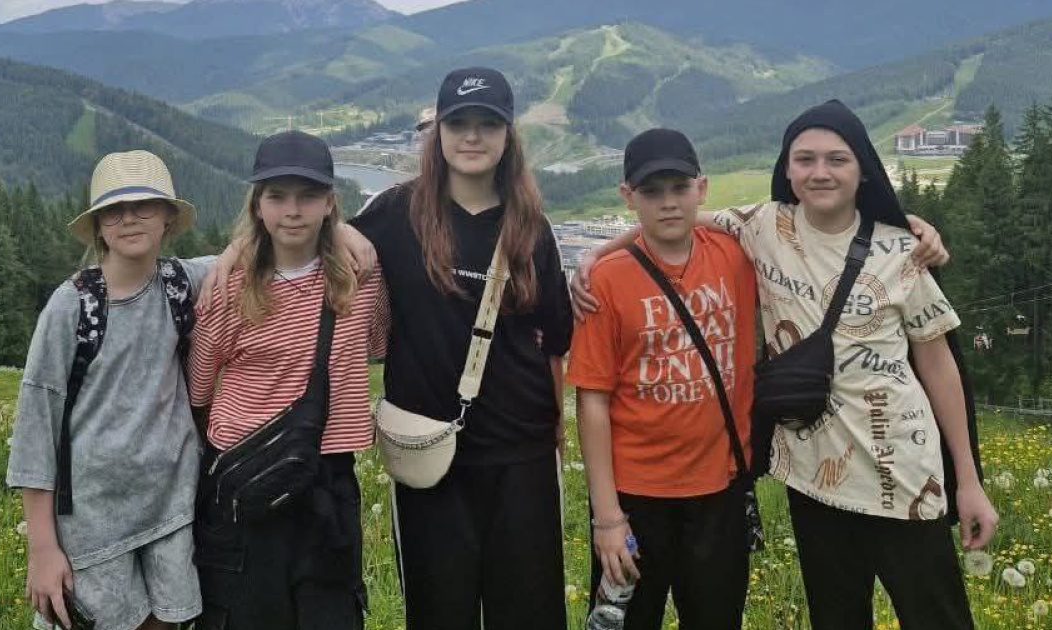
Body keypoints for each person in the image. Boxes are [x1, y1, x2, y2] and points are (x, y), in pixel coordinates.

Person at [710, 100, 995, 630]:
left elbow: (939, 366)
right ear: (787, 169)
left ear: (863, 170)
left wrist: (968, 480)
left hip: (905, 475)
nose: (820, 172)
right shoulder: (763, 226)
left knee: (938, 617)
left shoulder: (903, 249)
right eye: (805, 159)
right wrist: (594, 259)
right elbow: (675, 216)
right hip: (815, 479)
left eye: (837, 159)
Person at [349, 67, 574, 630]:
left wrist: (556, 430)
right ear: (439, 133)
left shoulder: (533, 227)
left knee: (529, 615)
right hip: (427, 454)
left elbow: (555, 341)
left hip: (521, 453)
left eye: (487, 124)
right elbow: (318, 247)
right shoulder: (394, 214)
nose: (472, 136)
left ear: (508, 135)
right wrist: (228, 262)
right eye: (459, 123)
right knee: (438, 613)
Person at [186, 130, 389, 630]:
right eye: (277, 196)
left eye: (308, 196)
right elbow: (199, 386)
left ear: (330, 203)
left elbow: (382, 343)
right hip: (245, 481)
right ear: (257, 205)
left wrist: (354, 238)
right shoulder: (227, 285)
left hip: (326, 478)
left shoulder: (362, 277)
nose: (292, 211)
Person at [8, 150, 211, 630]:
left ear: (167, 217)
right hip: (92, 524)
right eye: (113, 209)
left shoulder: (183, 283)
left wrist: (344, 232)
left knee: (166, 622)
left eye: (144, 205)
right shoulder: (71, 306)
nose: (129, 218)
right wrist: (42, 549)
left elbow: (263, 253)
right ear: (98, 225)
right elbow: (36, 429)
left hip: (173, 510)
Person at [567, 128, 757, 629]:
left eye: (680, 187)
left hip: (721, 487)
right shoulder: (606, 280)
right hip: (635, 496)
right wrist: (607, 518)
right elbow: (592, 400)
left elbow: (817, 225)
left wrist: (905, 223)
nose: (668, 202)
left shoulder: (735, 254)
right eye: (652, 191)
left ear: (702, 188)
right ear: (628, 196)